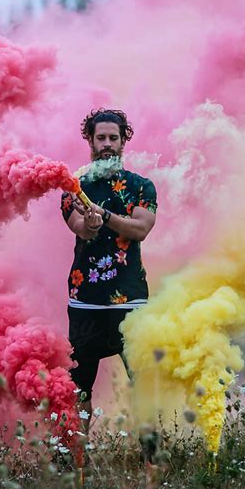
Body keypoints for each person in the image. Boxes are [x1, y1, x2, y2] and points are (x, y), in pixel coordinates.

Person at [60, 108, 157, 430]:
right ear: (89, 139)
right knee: (79, 387)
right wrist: (90, 223)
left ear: (123, 140)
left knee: (142, 383)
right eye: (100, 137)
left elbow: (140, 229)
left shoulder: (141, 186)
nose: (107, 144)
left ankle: (151, 459)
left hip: (129, 300)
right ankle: (74, 464)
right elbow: (80, 228)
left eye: (113, 138)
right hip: (86, 301)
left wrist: (106, 216)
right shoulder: (73, 187)